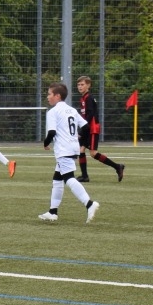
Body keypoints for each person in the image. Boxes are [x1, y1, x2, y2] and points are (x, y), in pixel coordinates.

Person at [39, 83, 99, 223]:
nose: (48, 97)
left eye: (49, 94)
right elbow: (85, 127)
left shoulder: (53, 112)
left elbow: (52, 132)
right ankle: (53, 212)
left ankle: (89, 204)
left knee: (69, 178)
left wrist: (46, 143)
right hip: (72, 147)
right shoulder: (71, 110)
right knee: (57, 179)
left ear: (57, 96)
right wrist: (77, 138)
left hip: (63, 149)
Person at [74, 76, 124, 182]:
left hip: (92, 129)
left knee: (93, 153)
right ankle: (84, 176)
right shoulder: (83, 98)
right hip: (86, 128)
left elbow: (90, 115)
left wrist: (82, 129)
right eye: (78, 85)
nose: (80, 87)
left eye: (82, 84)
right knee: (81, 150)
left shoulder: (89, 98)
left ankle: (117, 167)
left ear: (88, 85)